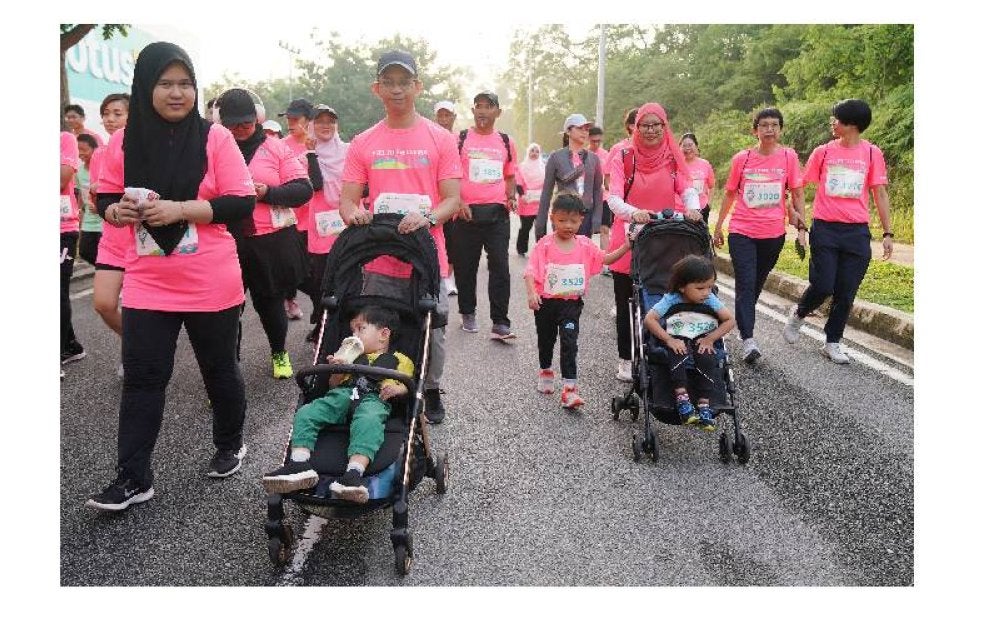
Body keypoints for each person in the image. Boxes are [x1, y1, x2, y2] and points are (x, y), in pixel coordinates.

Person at [86, 41, 256, 512]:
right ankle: (133, 477)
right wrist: (115, 210)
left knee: (219, 369)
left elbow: (240, 201)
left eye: (185, 84)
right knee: (143, 377)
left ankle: (229, 443)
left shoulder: (214, 138)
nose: (177, 92)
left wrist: (181, 209)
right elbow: (102, 195)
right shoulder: (123, 141)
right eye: (165, 83)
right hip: (148, 278)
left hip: (210, 278)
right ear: (146, 87)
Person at [339, 49, 462, 424]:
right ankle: (376, 386)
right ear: (377, 89)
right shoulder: (363, 142)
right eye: (388, 83)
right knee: (376, 329)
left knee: (433, 331)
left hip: (427, 257)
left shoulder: (440, 138)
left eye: (404, 82)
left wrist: (427, 217)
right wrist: (356, 214)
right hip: (378, 260)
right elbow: (346, 202)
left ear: (417, 86)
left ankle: (431, 388)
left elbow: (453, 199)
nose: (396, 90)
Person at [261, 306, 414, 503]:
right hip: (343, 395)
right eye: (352, 331)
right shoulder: (350, 356)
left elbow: (408, 385)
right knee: (308, 412)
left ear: (384, 334)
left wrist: (397, 389)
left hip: (375, 399)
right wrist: (338, 369)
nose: (354, 335)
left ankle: (353, 475)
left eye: (360, 329)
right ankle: (299, 465)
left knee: (369, 421)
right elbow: (333, 386)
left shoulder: (400, 359)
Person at [782, 98, 893, 364]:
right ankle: (798, 314)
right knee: (823, 284)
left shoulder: (871, 153)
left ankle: (832, 341)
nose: (833, 122)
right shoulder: (823, 152)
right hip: (826, 227)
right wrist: (793, 210)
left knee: (846, 290)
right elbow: (800, 184)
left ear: (852, 125)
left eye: (837, 119)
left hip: (856, 231)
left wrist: (888, 233)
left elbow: (879, 192)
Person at [216, 87, 312, 379]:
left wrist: (267, 192)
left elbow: (303, 189)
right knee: (226, 309)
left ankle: (279, 352)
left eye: (246, 122)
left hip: (268, 241)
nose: (240, 129)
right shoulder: (213, 146)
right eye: (233, 124)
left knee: (269, 302)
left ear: (257, 119)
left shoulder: (275, 147)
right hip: (224, 240)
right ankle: (227, 368)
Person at [606, 102, 702, 382]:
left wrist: (693, 208)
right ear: (636, 128)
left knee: (663, 298)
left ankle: (667, 353)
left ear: (664, 127)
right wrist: (632, 212)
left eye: (655, 125)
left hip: (663, 239)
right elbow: (613, 197)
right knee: (626, 305)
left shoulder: (672, 157)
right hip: (629, 237)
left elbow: (686, 188)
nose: (650, 131)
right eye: (644, 125)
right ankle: (626, 358)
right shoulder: (624, 156)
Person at [712, 108, 804, 364]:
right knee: (745, 282)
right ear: (755, 130)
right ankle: (748, 340)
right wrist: (719, 226)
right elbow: (730, 194)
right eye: (764, 125)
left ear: (781, 129)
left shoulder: (788, 157)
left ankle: (741, 317)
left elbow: (796, 193)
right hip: (742, 231)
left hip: (773, 233)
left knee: (755, 285)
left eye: (774, 125)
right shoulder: (742, 158)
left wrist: (802, 227)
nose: (769, 129)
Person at [524, 192, 628, 409]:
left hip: (571, 304)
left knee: (570, 342)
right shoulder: (544, 245)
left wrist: (627, 246)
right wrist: (532, 293)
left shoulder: (585, 245)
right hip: (546, 304)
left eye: (573, 221)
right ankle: (545, 370)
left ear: (581, 220)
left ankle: (570, 389)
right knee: (546, 340)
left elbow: (605, 259)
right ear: (552, 218)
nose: (567, 225)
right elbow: (530, 271)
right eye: (562, 220)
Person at [452, 91, 518, 340]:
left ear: (497, 112)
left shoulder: (505, 141)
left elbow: (510, 174)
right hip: (466, 213)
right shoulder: (460, 139)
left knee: (500, 266)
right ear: (473, 111)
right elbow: (450, 175)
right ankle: (467, 311)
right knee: (465, 266)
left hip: (497, 214)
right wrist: (458, 201)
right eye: (478, 106)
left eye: (488, 106)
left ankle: (500, 322)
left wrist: (511, 197)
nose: (482, 111)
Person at [644, 254, 735, 431]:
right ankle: (682, 398)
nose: (706, 292)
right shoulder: (671, 299)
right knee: (677, 352)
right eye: (700, 288)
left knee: (708, 356)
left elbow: (730, 320)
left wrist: (711, 338)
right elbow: (650, 319)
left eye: (710, 286)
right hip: (678, 338)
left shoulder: (710, 299)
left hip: (702, 339)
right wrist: (669, 340)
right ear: (682, 287)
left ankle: (704, 404)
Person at [302, 103, 350, 344]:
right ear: (311, 125)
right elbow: (316, 185)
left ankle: (345, 328)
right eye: (319, 121)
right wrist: (312, 154)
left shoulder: (348, 151)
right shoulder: (305, 156)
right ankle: (323, 328)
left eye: (330, 121)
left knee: (347, 279)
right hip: (321, 230)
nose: (325, 126)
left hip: (347, 224)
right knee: (321, 282)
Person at [90, 93, 131, 373]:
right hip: (112, 240)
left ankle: (137, 352)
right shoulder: (98, 154)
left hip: (143, 240)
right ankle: (135, 344)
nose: (110, 119)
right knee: (103, 304)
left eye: (117, 113)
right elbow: (99, 200)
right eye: (106, 113)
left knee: (136, 308)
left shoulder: (141, 147)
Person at [535, 113, 603, 242]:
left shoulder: (593, 159)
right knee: (562, 256)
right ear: (568, 131)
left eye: (586, 129)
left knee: (582, 257)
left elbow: (597, 190)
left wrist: (597, 219)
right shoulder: (556, 157)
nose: (584, 132)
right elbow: (546, 192)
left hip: (585, 215)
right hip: (562, 215)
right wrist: (540, 223)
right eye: (580, 128)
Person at [280, 97, 316, 321]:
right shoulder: (281, 145)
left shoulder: (316, 143)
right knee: (294, 267)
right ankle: (289, 297)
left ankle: (320, 312)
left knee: (314, 270)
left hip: (316, 218)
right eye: (288, 118)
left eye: (296, 118)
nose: (291, 123)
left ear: (309, 120)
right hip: (291, 218)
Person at [60, 130, 85, 371]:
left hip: (61, 228)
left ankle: (63, 349)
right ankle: (69, 345)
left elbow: (61, 179)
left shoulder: (64, 138)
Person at [433, 99, 460, 297]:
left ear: (453, 117)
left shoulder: (460, 140)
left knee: (452, 241)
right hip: (436, 198)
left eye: (447, 115)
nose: (443, 119)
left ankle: (448, 277)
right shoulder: (431, 138)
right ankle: (442, 277)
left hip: (455, 197)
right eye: (440, 115)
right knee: (436, 237)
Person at [514, 142, 544, 256]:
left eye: (537, 151)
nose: (534, 153)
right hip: (526, 201)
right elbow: (518, 182)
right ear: (528, 152)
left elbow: (547, 183)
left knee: (541, 227)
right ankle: (521, 249)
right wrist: (522, 195)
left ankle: (541, 250)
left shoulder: (543, 167)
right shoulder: (522, 167)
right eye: (532, 150)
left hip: (540, 202)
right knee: (526, 227)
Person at [76, 132, 101, 266]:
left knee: (104, 254)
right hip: (88, 221)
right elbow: (81, 193)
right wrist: (80, 210)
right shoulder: (79, 172)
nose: (81, 153)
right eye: (78, 150)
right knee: (85, 251)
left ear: (94, 149)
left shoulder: (103, 169)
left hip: (103, 221)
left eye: (84, 150)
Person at [678, 132, 715, 223]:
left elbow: (712, 186)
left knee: (701, 235)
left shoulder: (705, 164)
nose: (687, 148)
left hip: (702, 209)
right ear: (679, 148)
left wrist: (708, 204)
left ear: (696, 146)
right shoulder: (676, 165)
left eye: (690, 145)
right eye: (684, 146)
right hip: (682, 210)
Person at [588, 126, 613, 258]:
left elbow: (608, 178)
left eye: (599, 141)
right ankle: (585, 258)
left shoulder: (605, 155)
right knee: (587, 230)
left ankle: (605, 261)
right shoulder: (582, 154)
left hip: (603, 198)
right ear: (588, 139)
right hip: (586, 198)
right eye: (593, 141)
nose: (596, 144)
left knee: (605, 229)